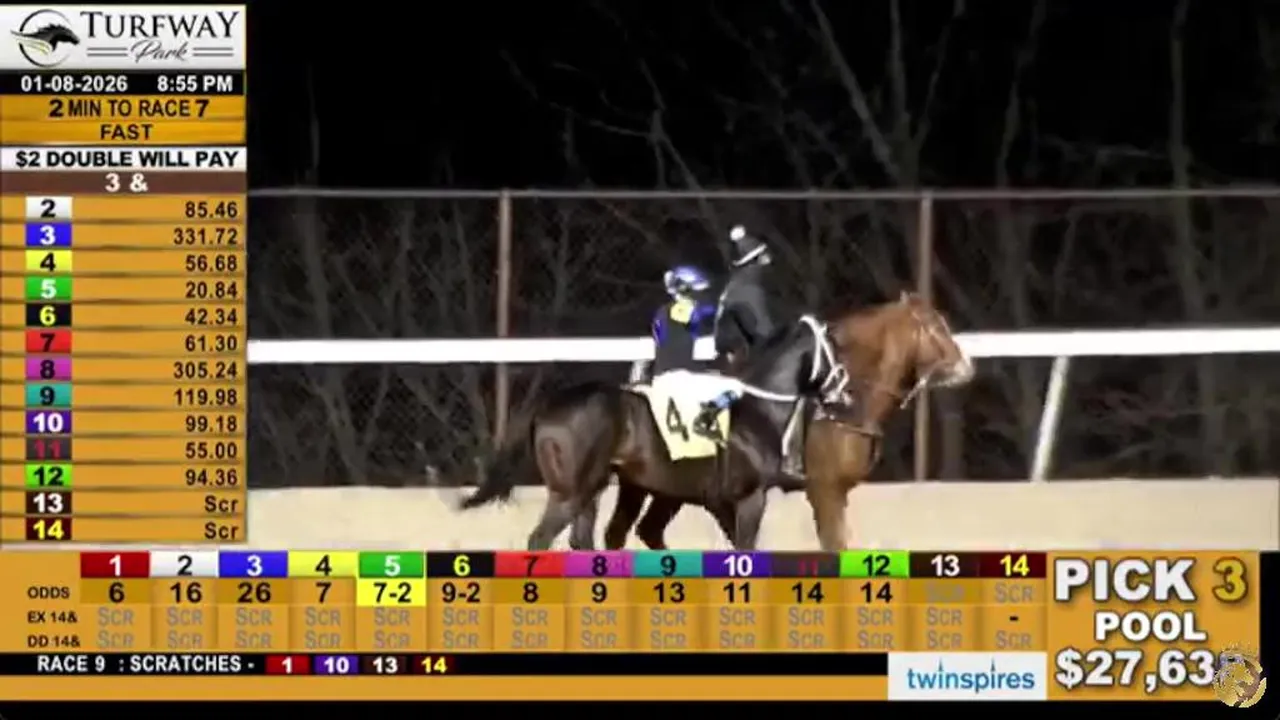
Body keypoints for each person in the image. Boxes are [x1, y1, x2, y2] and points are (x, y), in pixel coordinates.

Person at [690, 225, 798, 441]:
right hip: (738, 354)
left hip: (732, 348)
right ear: (754, 260)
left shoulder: (739, 283)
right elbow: (764, 332)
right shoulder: (750, 289)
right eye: (763, 257)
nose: (768, 261)